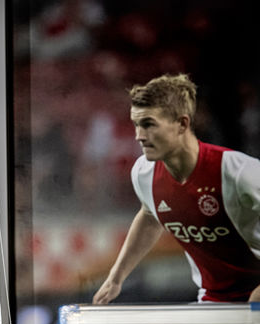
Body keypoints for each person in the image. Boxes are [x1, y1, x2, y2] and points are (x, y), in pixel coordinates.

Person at [93, 74, 260, 304]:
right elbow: (150, 217)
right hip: (214, 301)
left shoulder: (237, 171)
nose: (139, 136)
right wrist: (116, 278)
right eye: (136, 124)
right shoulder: (144, 173)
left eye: (149, 124)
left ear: (182, 124)